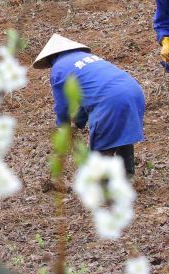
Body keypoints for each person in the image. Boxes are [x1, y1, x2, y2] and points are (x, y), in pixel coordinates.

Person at [33, 34, 145, 176]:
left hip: (109, 100)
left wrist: (63, 126)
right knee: (122, 134)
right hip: (134, 91)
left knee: (101, 150)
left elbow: (63, 106)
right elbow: (87, 97)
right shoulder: (88, 60)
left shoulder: (59, 69)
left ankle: (103, 189)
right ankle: (127, 176)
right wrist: (79, 123)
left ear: (50, 58)